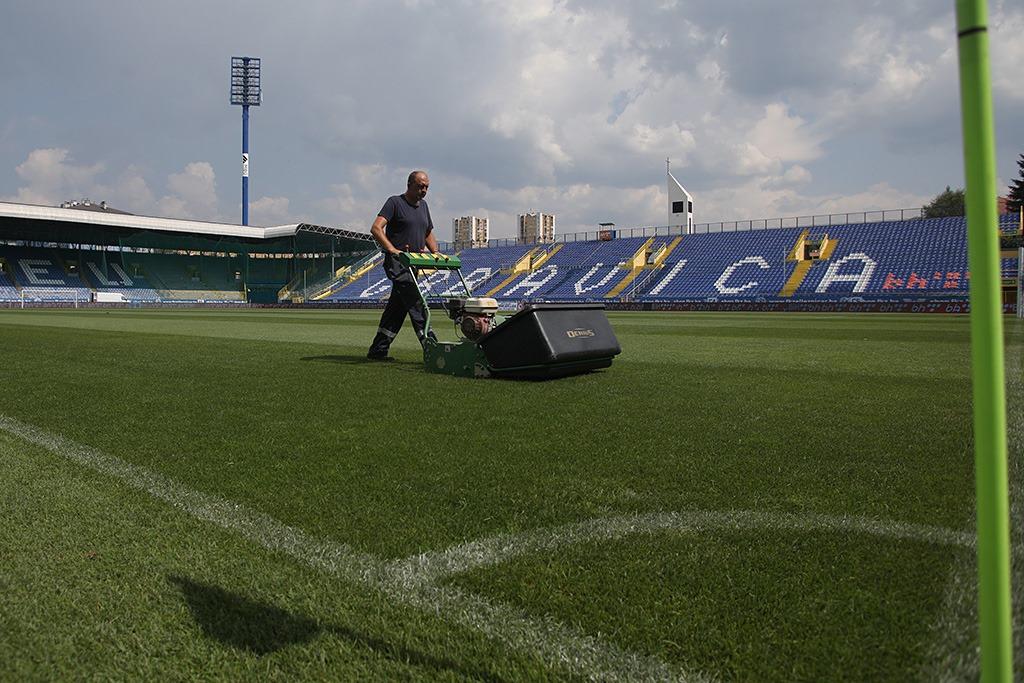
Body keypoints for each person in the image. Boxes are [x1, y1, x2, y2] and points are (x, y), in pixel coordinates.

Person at [366, 170, 440, 360]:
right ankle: (432, 349)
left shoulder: (424, 207)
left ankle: (378, 350)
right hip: (398, 264)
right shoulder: (395, 203)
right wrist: (391, 249)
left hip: (414, 264)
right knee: (416, 302)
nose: (424, 190)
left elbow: (428, 232)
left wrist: (436, 253)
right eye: (420, 186)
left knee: (396, 309)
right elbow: (376, 227)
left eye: (426, 187)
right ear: (409, 185)